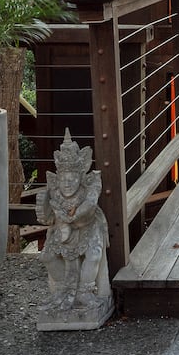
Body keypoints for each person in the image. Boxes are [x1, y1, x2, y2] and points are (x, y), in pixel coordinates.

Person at [36, 130, 110, 313]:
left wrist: (73, 217)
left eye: (72, 179)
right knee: (47, 256)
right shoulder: (55, 192)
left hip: (88, 226)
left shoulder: (90, 186)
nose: (67, 183)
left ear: (81, 177)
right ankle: (62, 290)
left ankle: (85, 291)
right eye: (63, 179)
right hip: (62, 230)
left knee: (93, 255)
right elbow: (46, 214)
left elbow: (91, 204)